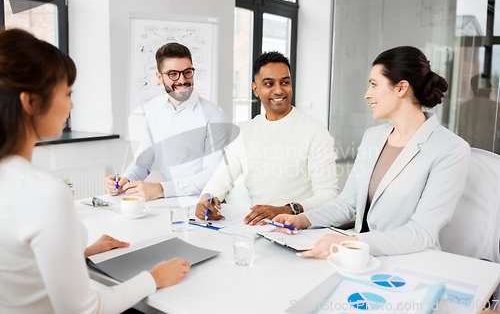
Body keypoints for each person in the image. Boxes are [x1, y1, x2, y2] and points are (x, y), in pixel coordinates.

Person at [0, 28, 190, 313]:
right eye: (67, 93)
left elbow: (19, 267)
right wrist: (153, 278)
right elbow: (86, 309)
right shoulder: (44, 193)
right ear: (30, 102)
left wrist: (79, 253)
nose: (72, 104)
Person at [274, 46, 471, 257]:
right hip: (357, 258)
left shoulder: (450, 149)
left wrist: (352, 241)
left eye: (374, 85)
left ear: (401, 88)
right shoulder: (373, 137)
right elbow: (347, 203)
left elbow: (421, 232)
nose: (368, 95)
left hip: (409, 262)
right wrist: (303, 220)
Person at [195, 51, 339, 224]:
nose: (278, 90)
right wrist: (206, 199)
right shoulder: (244, 131)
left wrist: (288, 209)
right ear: (256, 89)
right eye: (269, 83)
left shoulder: (314, 130)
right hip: (260, 227)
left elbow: (328, 194)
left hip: (301, 229)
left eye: (285, 82)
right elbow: (222, 179)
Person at [105, 42, 228, 201]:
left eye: (187, 72)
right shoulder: (153, 115)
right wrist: (126, 180)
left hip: (205, 204)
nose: (182, 80)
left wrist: (161, 189)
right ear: (159, 76)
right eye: (173, 74)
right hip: (170, 201)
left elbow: (214, 173)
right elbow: (143, 162)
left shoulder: (214, 115)